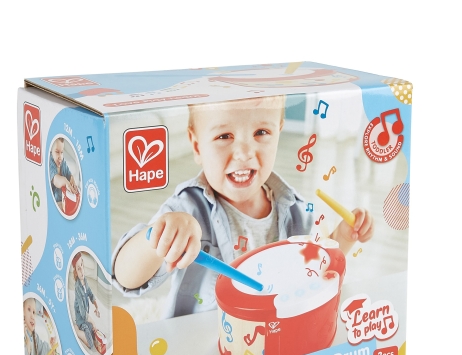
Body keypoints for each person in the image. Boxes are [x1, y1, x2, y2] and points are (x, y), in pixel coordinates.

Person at [112, 96, 374, 318]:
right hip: (203, 343)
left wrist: (343, 237)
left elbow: (317, 266)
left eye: (261, 133)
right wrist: (159, 236)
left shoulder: (295, 211)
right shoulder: (187, 209)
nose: (245, 152)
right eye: (224, 136)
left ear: (278, 133)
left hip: (273, 333)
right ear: (197, 146)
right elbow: (125, 277)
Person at [72, 252, 100, 350]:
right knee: (91, 344)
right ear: (76, 272)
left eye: (82, 266)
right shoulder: (77, 288)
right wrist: (93, 322)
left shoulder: (85, 280)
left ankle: (87, 329)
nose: (82, 271)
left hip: (85, 318)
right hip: (81, 320)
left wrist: (96, 306)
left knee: (92, 329)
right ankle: (77, 330)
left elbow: (90, 293)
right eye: (78, 269)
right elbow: (83, 313)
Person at [49, 137, 78, 208]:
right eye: (57, 152)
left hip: (63, 200)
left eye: (62, 152)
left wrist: (72, 180)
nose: (60, 157)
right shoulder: (50, 162)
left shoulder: (63, 162)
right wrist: (65, 181)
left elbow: (69, 174)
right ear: (51, 151)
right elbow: (56, 180)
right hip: (54, 202)